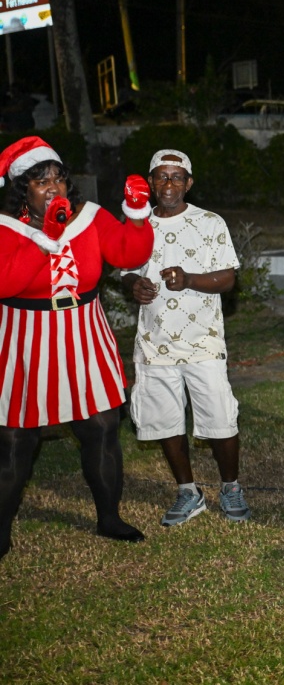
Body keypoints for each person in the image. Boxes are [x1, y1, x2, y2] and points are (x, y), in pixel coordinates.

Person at [0, 136, 154, 559]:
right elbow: (7, 282)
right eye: (41, 181)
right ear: (22, 190)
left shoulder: (89, 217)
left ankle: (109, 518)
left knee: (102, 428)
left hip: (84, 333)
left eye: (58, 179)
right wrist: (45, 238)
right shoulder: (6, 228)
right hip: (26, 340)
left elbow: (128, 253)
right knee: (16, 442)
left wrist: (137, 216)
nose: (53, 188)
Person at [123, 150, 249, 526]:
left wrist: (190, 279)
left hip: (203, 341)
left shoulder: (209, 222)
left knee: (220, 417)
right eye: (161, 176)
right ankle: (188, 492)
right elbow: (126, 270)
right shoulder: (137, 224)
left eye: (177, 177)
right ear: (150, 182)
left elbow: (228, 278)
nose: (169, 184)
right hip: (154, 341)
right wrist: (134, 285)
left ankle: (231, 487)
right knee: (165, 420)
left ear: (188, 183)